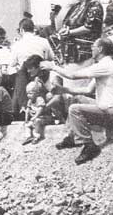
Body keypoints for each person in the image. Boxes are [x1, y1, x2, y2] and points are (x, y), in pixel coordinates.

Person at [44, 35, 113, 164]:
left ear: (101, 49)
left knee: (74, 109)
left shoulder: (105, 65)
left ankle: (88, 145)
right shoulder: (104, 66)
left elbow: (72, 75)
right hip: (106, 109)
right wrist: (64, 90)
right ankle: (73, 136)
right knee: (77, 98)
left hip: (109, 111)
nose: (91, 50)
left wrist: (53, 67)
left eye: (93, 47)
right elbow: (87, 90)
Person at [53, 0, 103, 65]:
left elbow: (89, 27)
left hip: (85, 51)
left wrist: (70, 32)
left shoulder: (94, 5)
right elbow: (64, 23)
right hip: (71, 51)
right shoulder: (76, 6)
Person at [11, 15, 54, 115]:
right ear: (33, 29)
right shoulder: (43, 41)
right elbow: (50, 57)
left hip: (26, 73)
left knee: (20, 75)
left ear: (21, 30)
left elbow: (12, 63)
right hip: (41, 71)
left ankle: (23, 107)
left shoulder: (17, 44)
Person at [21, 81, 48, 145]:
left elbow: (40, 109)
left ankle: (36, 137)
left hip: (43, 117)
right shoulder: (30, 101)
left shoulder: (39, 99)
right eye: (27, 93)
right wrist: (26, 119)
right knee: (27, 125)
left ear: (37, 93)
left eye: (30, 93)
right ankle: (28, 136)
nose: (28, 95)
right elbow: (27, 110)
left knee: (37, 121)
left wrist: (35, 116)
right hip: (34, 119)